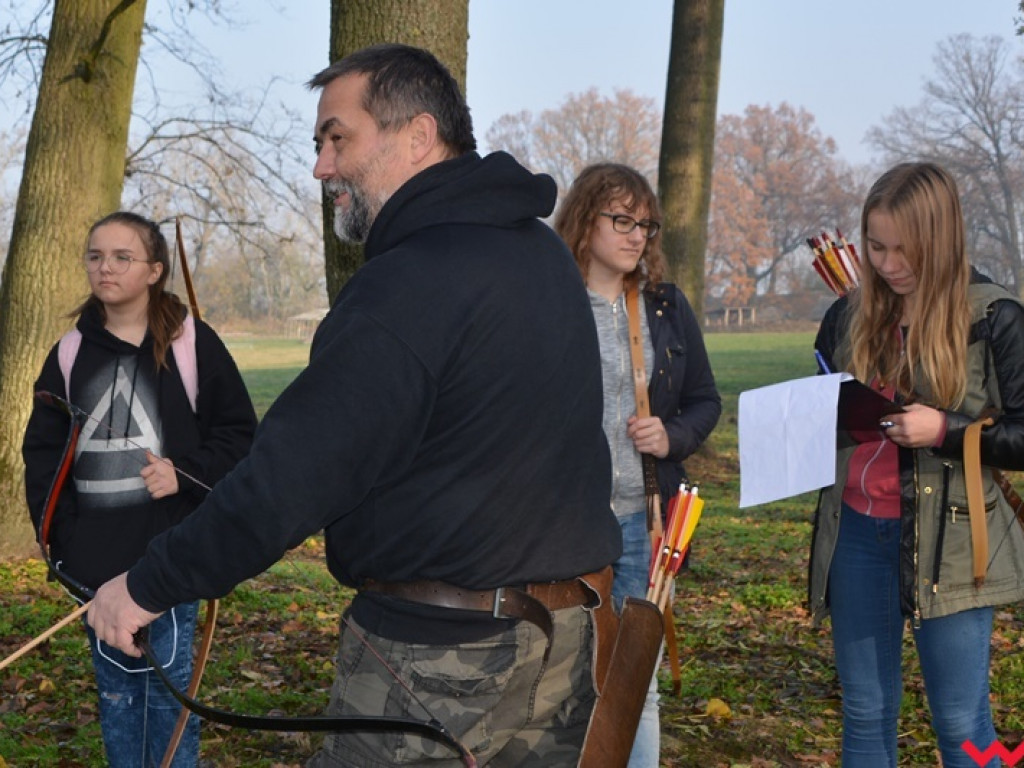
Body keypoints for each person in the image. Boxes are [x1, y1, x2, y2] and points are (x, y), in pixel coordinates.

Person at [87, 43, 622, 767]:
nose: (321, 166)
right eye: (318, 144)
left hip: (440, 660)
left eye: (337, 138)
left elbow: (290, 478)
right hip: (564, 639)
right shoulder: (539, 255)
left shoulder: (410, 285)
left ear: (418, 135)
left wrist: (146, 586)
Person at [22, 211, 257, 767]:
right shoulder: (70, 353)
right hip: (97, 562)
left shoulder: (190, 345)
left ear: (154, 270)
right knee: (120, 698)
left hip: (169, 557)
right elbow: (44, 455)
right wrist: (61, 538)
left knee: (166, 696)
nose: (105, 267)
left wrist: (184, 471)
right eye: (95, 255)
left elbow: (240, 436)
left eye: (122, 257)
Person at [811, 161, 1024, 768]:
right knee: (865, 710)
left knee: (961, 721)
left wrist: (945, 430)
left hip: (953, 543)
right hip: (856, 533)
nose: (887, 263)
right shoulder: (847, 316)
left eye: (905, 249)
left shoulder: (993, 316)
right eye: (876, 246)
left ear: (942, 238)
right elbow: (824, 410)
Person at [554, 164, 721, 766]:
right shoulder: (548, 303)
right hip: (558, 524)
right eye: (621, 220)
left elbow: (706, 400)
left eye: (645, 225)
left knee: (634, 683)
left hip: (639, 522)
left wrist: (670, 435)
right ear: (583, 220)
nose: (635, 236)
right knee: (557, 679)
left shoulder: (663, 306)